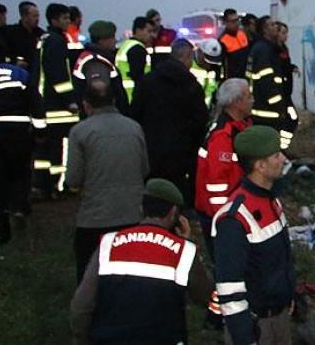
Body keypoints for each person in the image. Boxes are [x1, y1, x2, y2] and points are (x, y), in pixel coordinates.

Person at [70, 178, 211, 345]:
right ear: (174, 213)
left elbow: (81, 306)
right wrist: (189, 243)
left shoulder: (109, 244)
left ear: (140, 209)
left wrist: (82, 339)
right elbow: (206, 295)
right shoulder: (183, 251)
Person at [212, 125, 294, 345]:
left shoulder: (270, 200)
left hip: (279, 319)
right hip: (256, 328)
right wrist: (245, 338)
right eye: (277, 155)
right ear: (260, 165)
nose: (284, 159)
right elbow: (230, 289)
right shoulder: (234, 219)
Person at [65, 79, 149, 282]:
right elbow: (145, 169)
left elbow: (73, 179)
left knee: (90, 275)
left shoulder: (80, 132)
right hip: (132, 214)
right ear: (114, 99)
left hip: (95, 217)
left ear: (86, 104)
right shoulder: (134, 128)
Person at [195, 77, 253, 327]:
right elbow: (217, 183)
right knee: (227, 268)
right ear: (237, 102)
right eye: (248, 96)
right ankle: (217, 315)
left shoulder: (237, 127)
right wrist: (224, 220)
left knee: (231, 266)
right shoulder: (223, 136)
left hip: (226, 211)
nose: (252, 100)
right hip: (218, 215)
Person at [130, 39, 208, 204]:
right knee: (179, 196)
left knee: (154, 195)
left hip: (151, 149)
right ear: (187, 57)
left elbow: (135, 113)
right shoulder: (191, 85)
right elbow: (200, 120)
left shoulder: (147, 81)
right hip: (182, 152)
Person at [33, 2, 79, 195]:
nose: (68, 21)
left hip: (43, 102)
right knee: (62, 147)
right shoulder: (57, 41)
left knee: (44, 148)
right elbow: (59, 74)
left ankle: (42, 185)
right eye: (65, 18)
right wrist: (70, 99)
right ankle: (60, 185)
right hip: (58, 105)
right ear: (54, 20)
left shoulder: (44, 39)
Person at [0, 61, 32, 243]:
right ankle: (18, 208)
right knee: (19, 171)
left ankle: (1, 212)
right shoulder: (19, 74)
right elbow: (34, 99)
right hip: (18, 128)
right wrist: (40, 130)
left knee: (0, 173)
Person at [247, 17, 295, 150]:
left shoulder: (268, 48)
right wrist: (279, 105)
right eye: (272, 25)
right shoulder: (264, 50)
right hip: (267, 110)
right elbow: (266, 81)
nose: (276, 27)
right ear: (265, 30)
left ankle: (281, 154)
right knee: (267, 145)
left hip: (264, 108)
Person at [72, 20, 128, 117]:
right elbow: (100, 95)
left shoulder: (91, 57)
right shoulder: (96, 63)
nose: (115, 41)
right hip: (104, 119)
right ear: (102, 41)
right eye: (112, 38)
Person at [115, 16, 154, 105]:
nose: (151, 35)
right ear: (138, 30)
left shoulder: (126, 45)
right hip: (133, 97)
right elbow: (138, 77)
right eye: (148, 31)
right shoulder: (137, 49)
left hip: (123, 95)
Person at [5, 1, 44, 71]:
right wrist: (14, 61)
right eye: (34, 16)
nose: (37, 19)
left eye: (38, 16)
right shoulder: (10, 33)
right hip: (16, 72)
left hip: (36, 72)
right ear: (24, 16)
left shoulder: (41, 34)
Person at [190, 38, 223, 110]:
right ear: (200, 52)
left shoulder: (216, 68)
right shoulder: (188, 64)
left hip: (207, 112)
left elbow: (215, 89)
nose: (209, 65)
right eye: (207, 61)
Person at [219, 8, 250, 79]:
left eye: (237, 20)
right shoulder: (222, 41)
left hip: (246, 78)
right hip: (233, 80)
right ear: (225, 22)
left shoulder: (242, 35)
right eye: (233, 21)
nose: (236, 23)